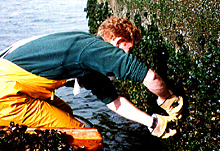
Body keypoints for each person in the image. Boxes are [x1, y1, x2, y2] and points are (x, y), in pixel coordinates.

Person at [0, 16, 183, 138]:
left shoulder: (86, 54)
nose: (129, 54)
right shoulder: (95, 51)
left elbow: (114, 101)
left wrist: (153, 122)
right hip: (7, 95)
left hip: (16, 85)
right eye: (130, 49)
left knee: (66, 112)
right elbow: (151, 78)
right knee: (80, 134)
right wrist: (167, 99)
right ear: (118, 41)